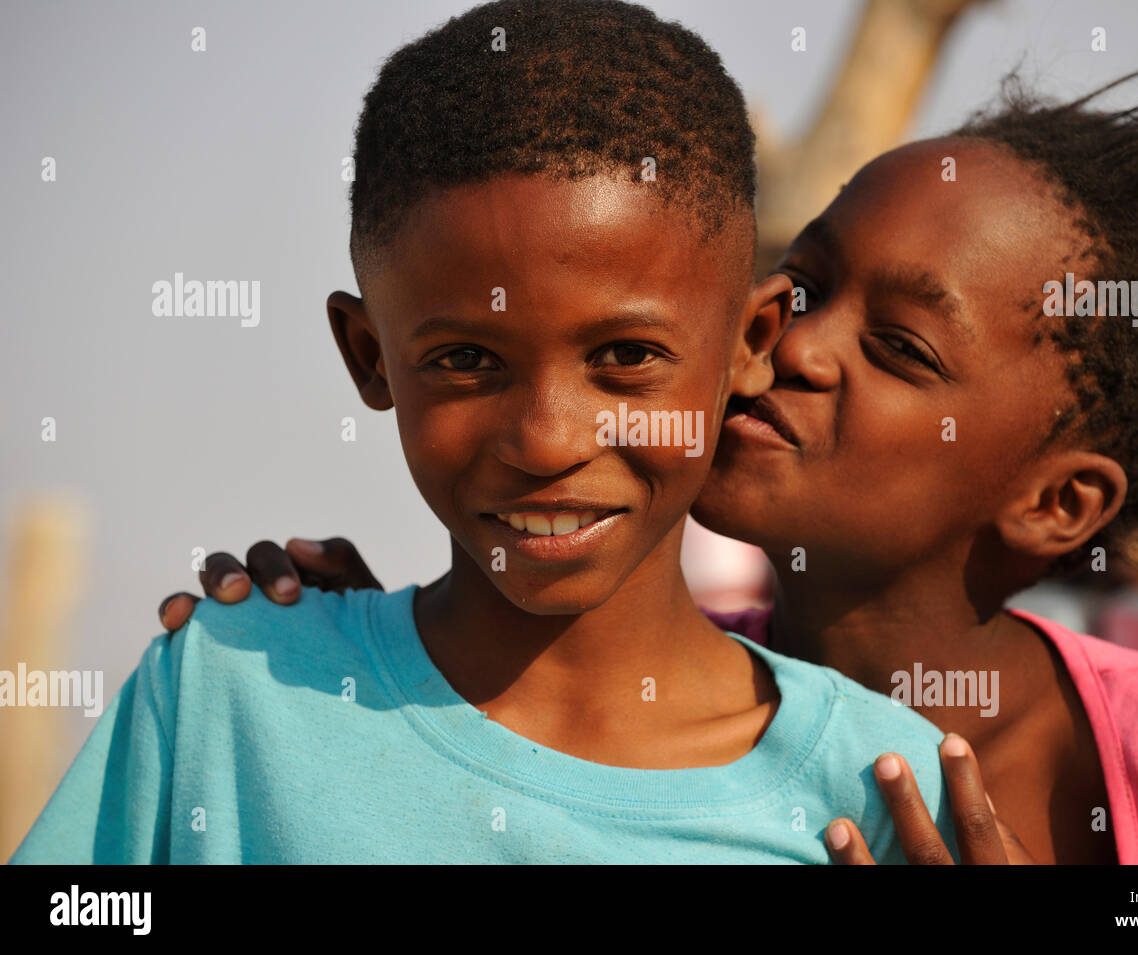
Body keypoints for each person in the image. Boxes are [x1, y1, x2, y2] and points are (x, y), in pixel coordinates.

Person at [161, 31, 1138, 864]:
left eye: (898, 347)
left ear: (1057, 505)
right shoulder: (656, 709)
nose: (791, 347)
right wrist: (364, 681)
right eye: (802, 284)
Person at [10, 0, 962, 865]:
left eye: (626, 356)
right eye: (467, 360)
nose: (547, 442)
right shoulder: (228, 697)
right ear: (369, 357)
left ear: (749, 346)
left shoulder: (885, 789)